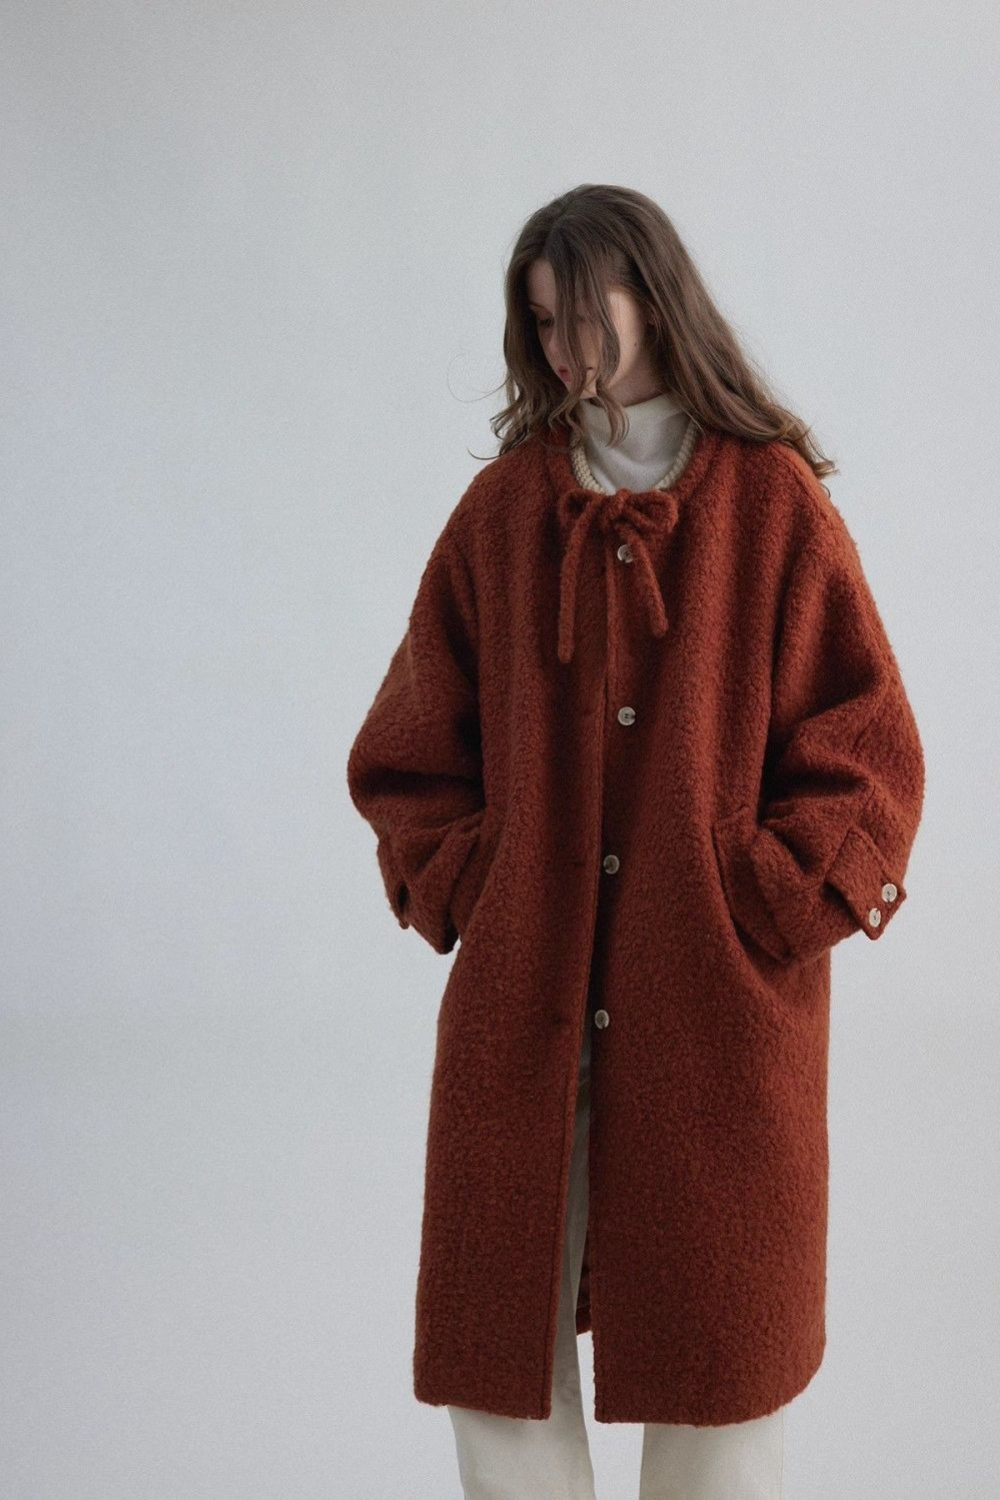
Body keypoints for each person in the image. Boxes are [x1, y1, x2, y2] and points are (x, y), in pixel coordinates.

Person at [346, 184, 925, 1499]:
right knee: (496, 1352)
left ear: (654, 301)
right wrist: (479, 884)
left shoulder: (773, 507)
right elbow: (409, 749)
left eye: (583, 314)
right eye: (541, 323)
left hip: (717, 1015)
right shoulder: (503, 514)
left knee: (726, 1364)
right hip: (522, 1010)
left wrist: (763, 903)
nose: (564, 349)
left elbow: (871, 747)